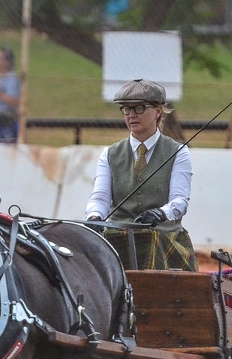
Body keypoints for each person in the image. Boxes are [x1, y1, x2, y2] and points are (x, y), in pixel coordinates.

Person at [85, 79, 198, 271]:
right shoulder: (109, 154)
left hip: (162, 236)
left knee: (148, 238)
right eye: (126, 109)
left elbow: (179, 201)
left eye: (138, 108)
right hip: (119, 234)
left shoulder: (178, 152)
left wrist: (161, 213)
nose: (131, 115)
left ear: (158, 111)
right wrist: (94, 217)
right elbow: (100, 197)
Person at [0, 47, 20, 143]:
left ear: (7, 62)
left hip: (7, 122)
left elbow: (13, 101)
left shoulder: (11, 79)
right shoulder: (1, 78)